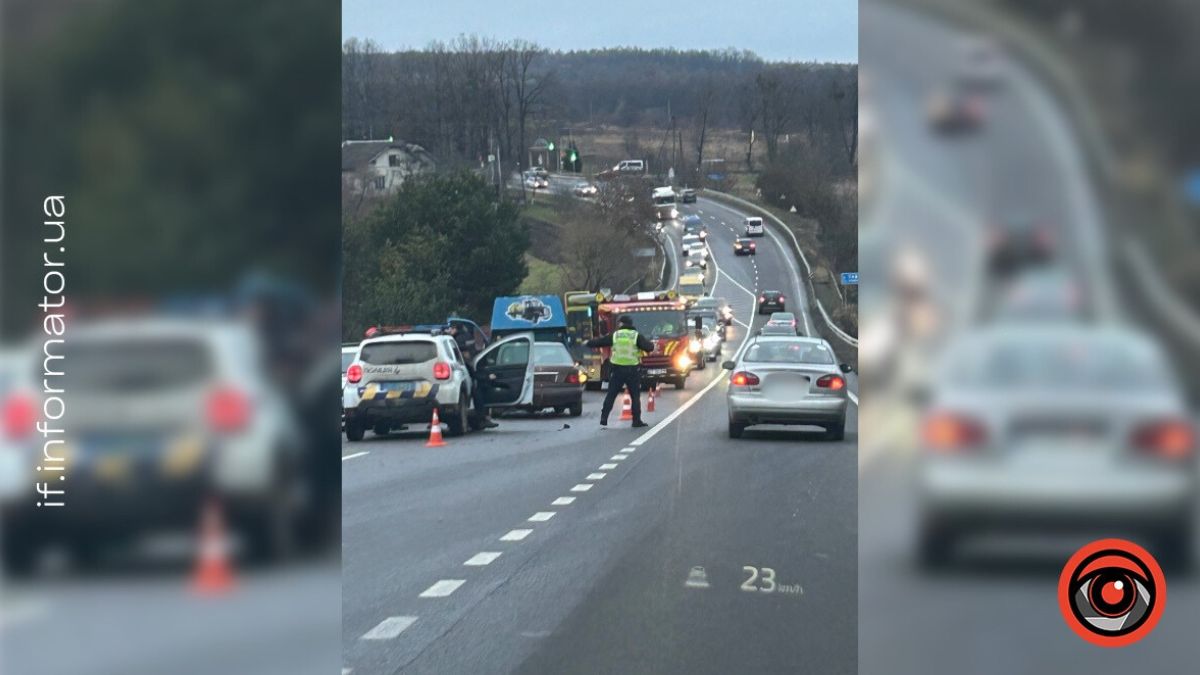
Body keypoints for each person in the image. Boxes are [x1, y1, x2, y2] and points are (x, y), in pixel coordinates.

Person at [586, 315, 655, 428]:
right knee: (635, 396)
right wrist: (651, 345)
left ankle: (604, 417)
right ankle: (636, 420)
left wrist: (588, 343)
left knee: (611, 395)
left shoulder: (615, 335)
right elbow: (648, 347)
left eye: (619, 323)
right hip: (632, 370)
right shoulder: (636, 336)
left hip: (617, 370)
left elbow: (601, 342)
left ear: (622, 324)